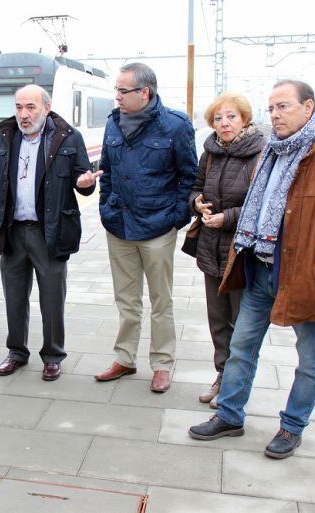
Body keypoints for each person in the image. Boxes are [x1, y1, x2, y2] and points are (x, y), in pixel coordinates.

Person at [189, 80, 315, 459]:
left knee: (309, 359)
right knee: (240, 348)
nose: (275, 115)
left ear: (308, 107)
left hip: (308, 279)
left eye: (283, 107)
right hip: (259, 269)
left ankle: (291, 428)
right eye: (271, 108)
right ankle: (230, 415)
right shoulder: (271, 152)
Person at [0, 84, 99, 380]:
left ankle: (52, 355)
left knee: (51, 298)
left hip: (50, 232)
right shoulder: (6, 136)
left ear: (46, 108)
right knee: (14, 297)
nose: (23, 114)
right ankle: (17, 352)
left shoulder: (68, 138)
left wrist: (85, 183)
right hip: (12, 231)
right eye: (19, 107)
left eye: (30, 107)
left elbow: (82, 179)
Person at [93, 62, 197, 392]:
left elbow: (188, 176)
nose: (117, 97)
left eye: (123, 91)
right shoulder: (113, 123)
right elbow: (107, 172)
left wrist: (176, 218)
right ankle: (124, 358)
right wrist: (106, 207)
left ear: (145, 92)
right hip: (119, 226)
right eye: (117, 91)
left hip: (157, 228)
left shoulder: (175, 125)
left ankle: (162, 363)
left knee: (160, 301)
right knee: (126, 300)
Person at [189, 92, 265, 408]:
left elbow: (261, 203)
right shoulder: (210, 154)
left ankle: (235, 388)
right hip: (210, 249)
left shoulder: (259, 153)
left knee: (242, 325)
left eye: (231, 116)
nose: (224, 123)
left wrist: (227, 218)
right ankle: (222, 377)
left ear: (244, 119)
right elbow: (195, 187)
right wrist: (197, 204)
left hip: (241, 253)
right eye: (218, 118)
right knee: (218, 321)